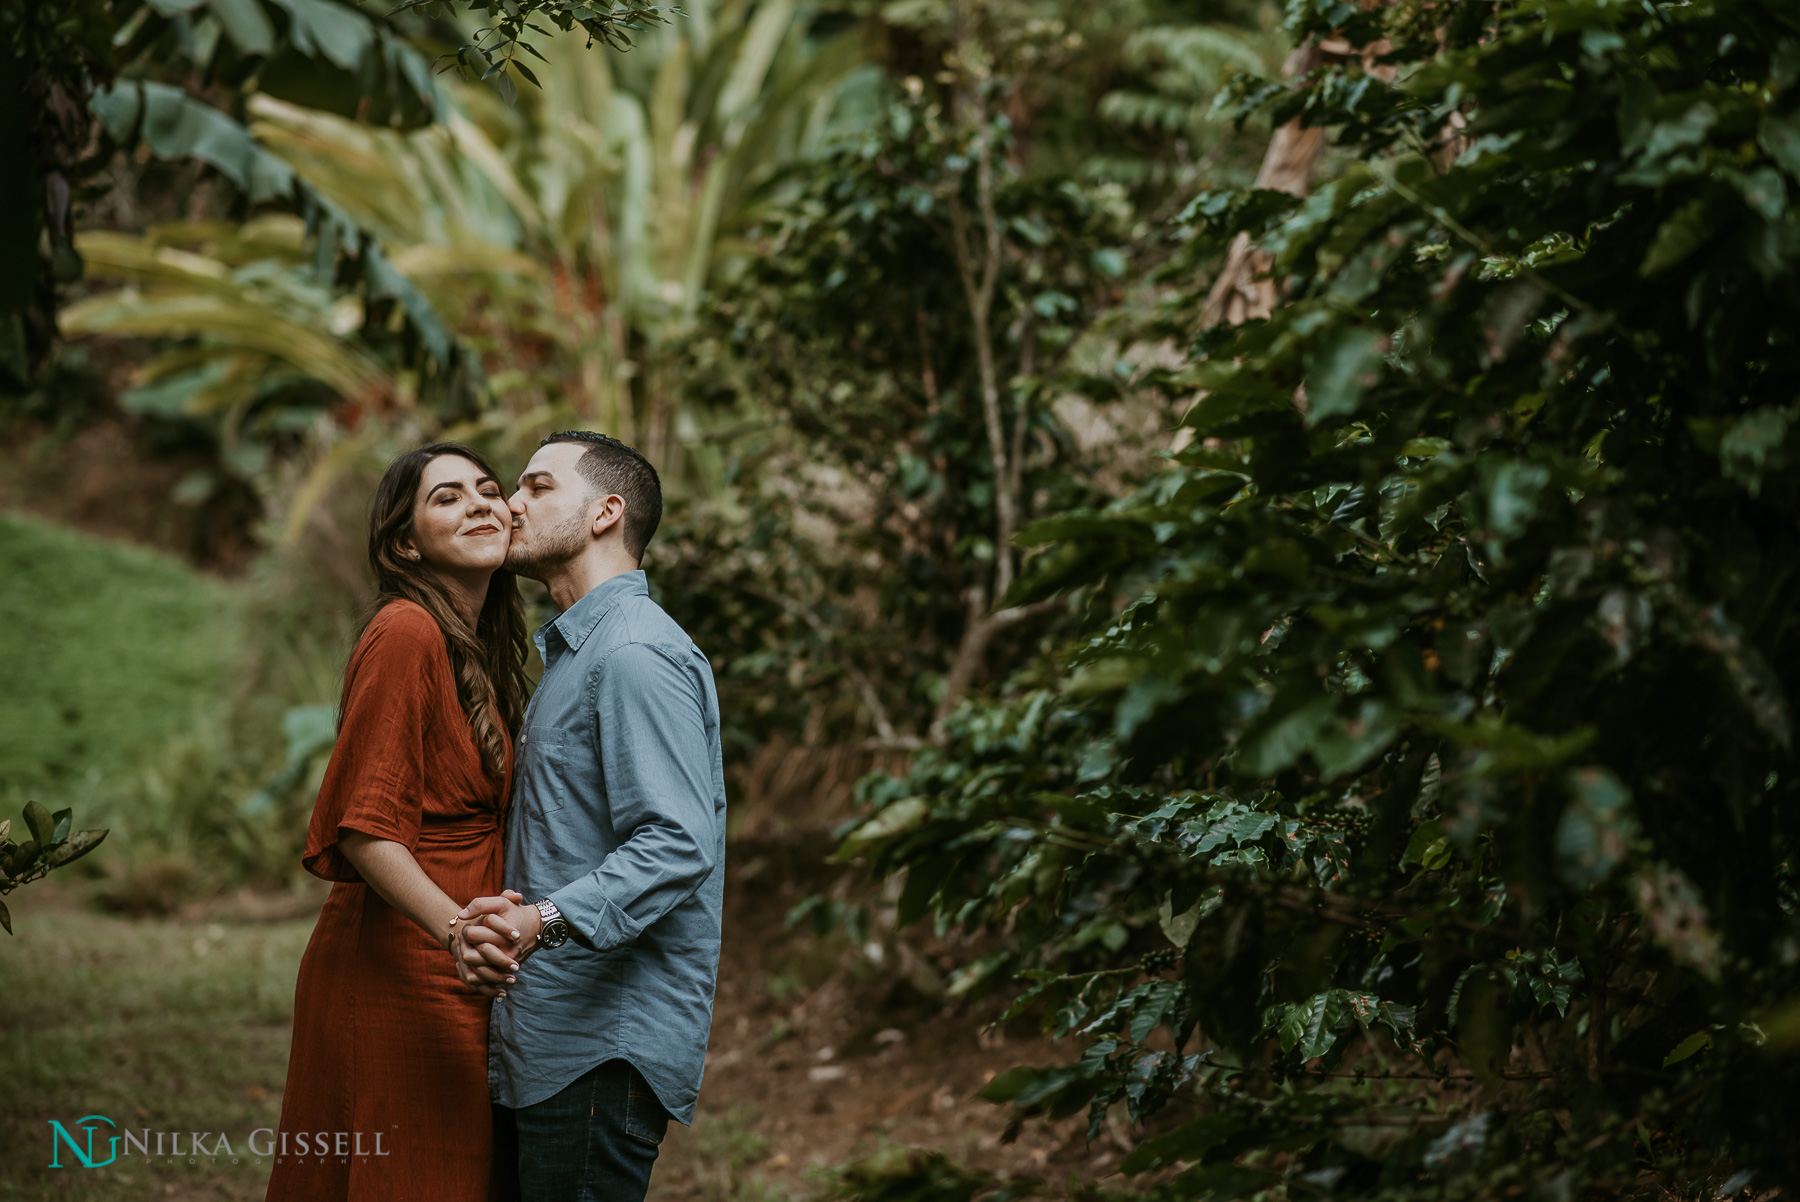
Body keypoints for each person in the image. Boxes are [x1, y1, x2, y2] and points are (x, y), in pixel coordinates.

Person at [456, 431, 727, 1202]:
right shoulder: (578, 655)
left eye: (537, 487)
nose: (510, 504)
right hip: (550, 1040)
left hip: (598, 1050)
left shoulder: (635, 653)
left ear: (607, 512)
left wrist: (541, 918)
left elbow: (677, 842)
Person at [267, 443, 529, 1202]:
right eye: (448, 497)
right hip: (399, 960)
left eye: (488, 488)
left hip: (458, 960)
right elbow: (363, 827)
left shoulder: (477, 646)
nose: (481, 502)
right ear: (405, 542)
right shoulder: (406, 631)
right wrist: (456, 931)